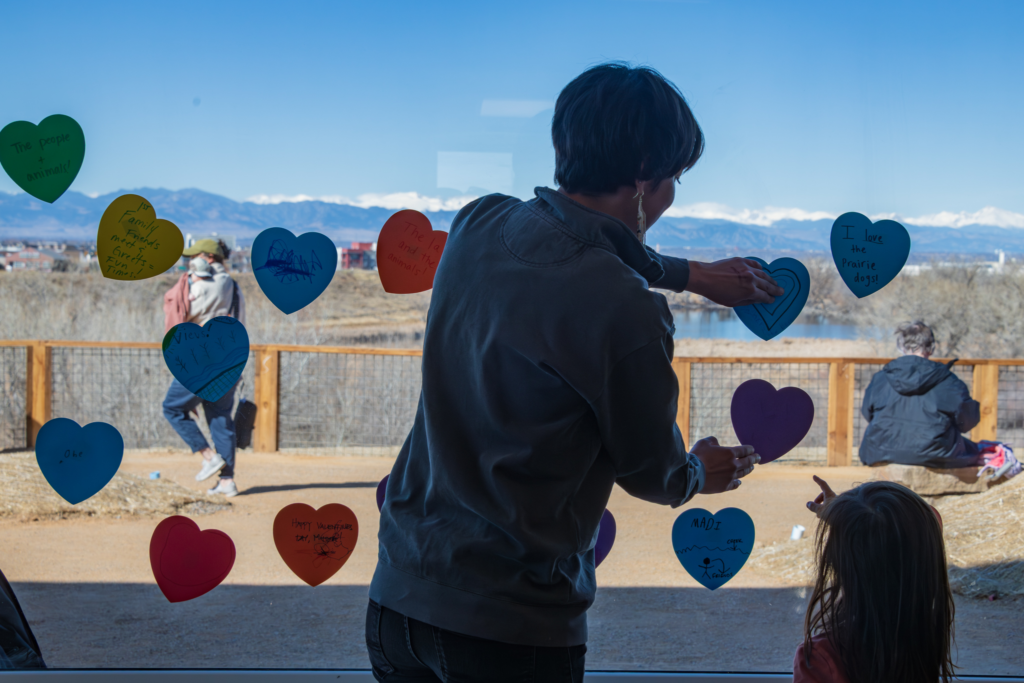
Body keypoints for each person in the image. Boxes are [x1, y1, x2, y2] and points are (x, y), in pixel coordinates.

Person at [366, 63, 784, 682]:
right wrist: (700, 471)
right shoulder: (627, 308)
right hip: (509, 624)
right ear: (644, 178)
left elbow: (574, 245)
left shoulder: (480, 222)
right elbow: (655, 474)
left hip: (396, 598)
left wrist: (691, 273)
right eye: (671, 178)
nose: (671, 195)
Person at [795, 476, 955, 683]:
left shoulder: (821, 658)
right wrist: (849, 518)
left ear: (837, 562)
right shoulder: (921, 634)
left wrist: (847, 520)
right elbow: (919, 535)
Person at [161, 238, 246, 497]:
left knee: (172, 407)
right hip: (228, 360)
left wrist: (191, 285)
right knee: (220, 419)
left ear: (207, 257)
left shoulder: (199, 284)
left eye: (192, 256)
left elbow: (183, 317)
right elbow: (240, 320)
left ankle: (207, 455)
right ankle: (227, 481)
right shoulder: (233, 285)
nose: (188, 261)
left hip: (199, 361)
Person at [859, 320, 981, 469]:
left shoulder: (881, 377)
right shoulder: (948, 380)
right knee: (975, 449)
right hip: (936, 452)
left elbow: (867, 413)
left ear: (901, 347)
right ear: (931, 348)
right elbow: (967, 421)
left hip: (878, 450)